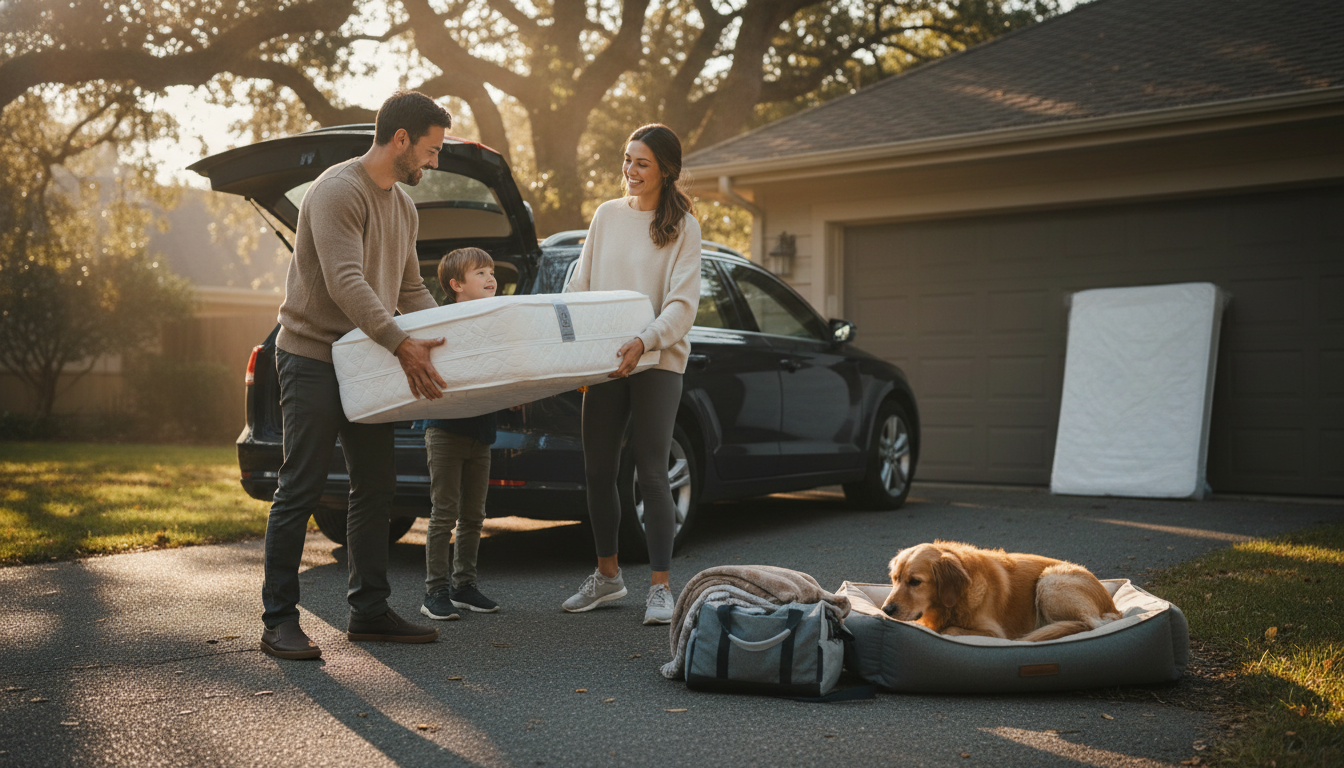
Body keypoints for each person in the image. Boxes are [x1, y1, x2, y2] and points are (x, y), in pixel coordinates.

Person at [259, 90, 452, 660]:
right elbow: (346, 283)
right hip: (313, 355)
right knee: (301, 486)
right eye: (431, 150)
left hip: (365, 359)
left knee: (376, 486)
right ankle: (278, 620)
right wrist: (402, 344)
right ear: (400, 141)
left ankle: (369, 611)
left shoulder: (405, 207)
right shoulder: (339, 191)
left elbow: (410, 289)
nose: (434, 162)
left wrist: (462, 333)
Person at [560, 123, 702, 625]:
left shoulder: (684, 225)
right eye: (627, 160)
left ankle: (660, 588)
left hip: (658, 361)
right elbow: (580, 282)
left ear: (665, 169)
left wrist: (645, 340)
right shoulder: (606, 215)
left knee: (652, 472)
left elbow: (683, 305)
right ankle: (608, 577)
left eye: (641, 163)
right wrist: (573, 342)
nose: (630, 171)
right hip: (604, 362)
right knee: (598, 471)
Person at [413, 247, 502, 621]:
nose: (490, 277)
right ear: (456, 285)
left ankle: (463, 585)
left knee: (474, 515)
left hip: (481, 430)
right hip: (445, 430)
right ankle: (435, 592)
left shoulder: (496, 320)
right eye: (480, 272)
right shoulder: (441, 322)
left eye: (491, 270)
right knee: (444, 512)